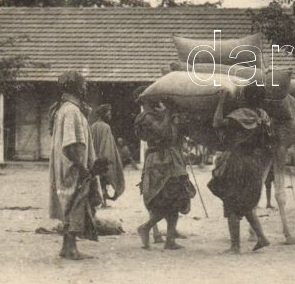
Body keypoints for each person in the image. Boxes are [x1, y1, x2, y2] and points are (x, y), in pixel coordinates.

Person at [209, 84, 272, 254]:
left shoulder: (240, 115)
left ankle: (235, 246)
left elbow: (217, 123)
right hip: (254, 163)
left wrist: (221, 101)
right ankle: (262, 237)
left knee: (232, 202)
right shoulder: (263, 116)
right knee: (246, 203)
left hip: (237, 162)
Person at [48, 70, 103, 260]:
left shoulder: (64, 109)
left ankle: (66, 247)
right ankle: (71, 248)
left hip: (67, 165)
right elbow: (71, 144)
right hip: (73, 166)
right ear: (76, 88)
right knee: (75, 204)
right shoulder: (71, 111)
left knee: (69, 204)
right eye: (83, 84)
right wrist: (83, 168)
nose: (86, 87)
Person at [134, 100, 196, 251]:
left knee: (176, 197)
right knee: (166, 198)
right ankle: (146, 227)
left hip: (171, 159)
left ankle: (169, 240)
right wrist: (168, 113)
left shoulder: (159, 116)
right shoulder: (145, 118)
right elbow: (162, 132)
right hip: (159, 161)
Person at [90, 104, 126, 206]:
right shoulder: (106, 127)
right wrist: (110, 158)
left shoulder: (93, 126)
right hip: (103, 157)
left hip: (95, 157)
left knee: (99, 180)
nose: (110, 115)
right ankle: (103, 201)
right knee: (105, 179)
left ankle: (102, 201)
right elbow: (107, 145)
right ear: (104, 114)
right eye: (109, 113)